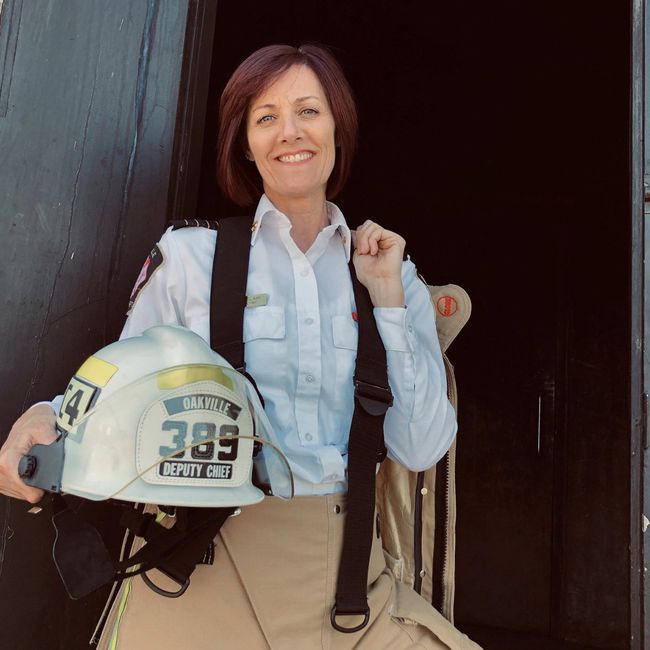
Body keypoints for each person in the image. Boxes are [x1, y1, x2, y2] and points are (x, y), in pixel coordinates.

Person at [0, 43, 480, 649]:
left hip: (350, 583)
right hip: (204, 571)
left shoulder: (389, 272)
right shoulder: (190, 257)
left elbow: (421, 446)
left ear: (337, 127)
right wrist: (46, 415)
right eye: (266, 117)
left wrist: (386, 298)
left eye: (309, 110)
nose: (290, 132)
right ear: (246, 144)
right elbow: (120, 394)